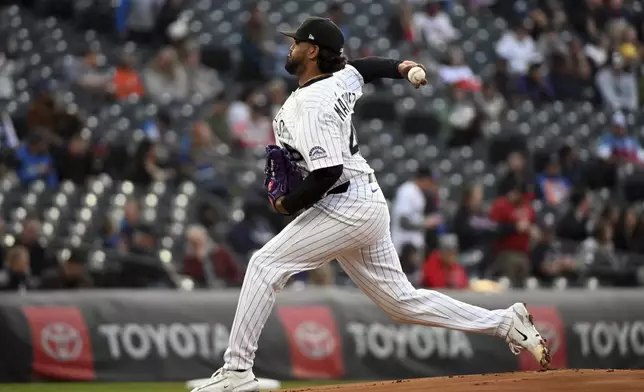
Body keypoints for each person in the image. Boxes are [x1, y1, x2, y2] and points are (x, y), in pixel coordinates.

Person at [191, 16, 550, 392]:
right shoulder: (337, 79)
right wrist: (402, 66)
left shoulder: (312, 103)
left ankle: (237, 371)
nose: (290, 47)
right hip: (363, 201)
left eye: (296, 43)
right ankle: (505, 322)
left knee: (265, 265)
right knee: (401, 303)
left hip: (345, 204)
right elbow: (363, 67)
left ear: (312, 51)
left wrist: (287, 205)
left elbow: (326, 171)